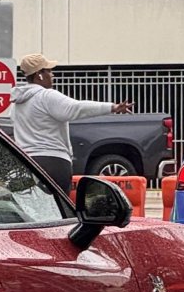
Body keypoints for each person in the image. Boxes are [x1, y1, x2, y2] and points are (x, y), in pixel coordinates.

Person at [10, 54, 133, 191]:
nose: (52, 75)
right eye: (49, 71)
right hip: (53, 162)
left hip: (25, 162)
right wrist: (112, 107)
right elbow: (76, 108)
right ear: (39, 74)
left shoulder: (17, 104)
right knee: (59, 209)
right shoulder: (46, 96)